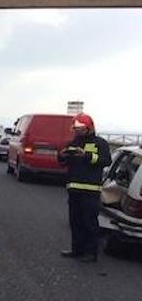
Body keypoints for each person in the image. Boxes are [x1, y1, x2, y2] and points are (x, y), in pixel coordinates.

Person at [58, 113, 112, 263]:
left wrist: (86, 156)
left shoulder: (100, 143)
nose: (77, 131)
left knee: (89, 223)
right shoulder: (73, 143)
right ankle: (77, 250)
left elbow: (106, 161)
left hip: (91, 190)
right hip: (74, 189)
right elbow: (63, 162)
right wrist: (62, 156)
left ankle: (91, 253)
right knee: (75, 221)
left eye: (80, 128)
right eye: (75, 128)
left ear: (89, 128)